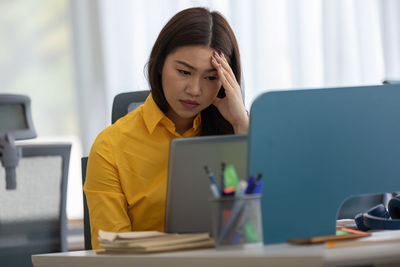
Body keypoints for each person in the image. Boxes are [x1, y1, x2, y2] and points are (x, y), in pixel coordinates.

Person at [84, 7, 248, 249]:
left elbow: (263, 227)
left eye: (211, 77)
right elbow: (111, 254)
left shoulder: (240, 131)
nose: (195, 89)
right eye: (184, 72)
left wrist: (241, 124)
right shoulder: (110, 147)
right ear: (159, 64)